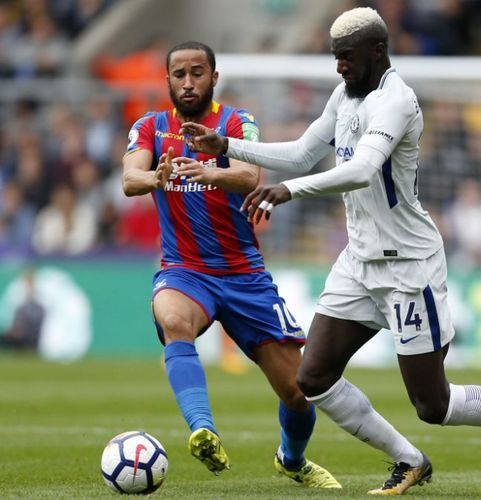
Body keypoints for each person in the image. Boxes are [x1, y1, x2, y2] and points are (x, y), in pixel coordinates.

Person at [180, 7, 481, 495]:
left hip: (408, 267)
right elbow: (300, 152)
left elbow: (361, 170)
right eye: (335, 58)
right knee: (312, 376)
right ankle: (409, 459)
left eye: (347, 57)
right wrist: (226, 144)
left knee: (432, 405)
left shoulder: (396, 102)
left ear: (377, 51)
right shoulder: (344, 96)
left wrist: (290, 191)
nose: (339, 67)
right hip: (358, 262)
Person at [121, 40, 340, 488]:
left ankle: (292, 459)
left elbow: (248, 175)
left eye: (197, 73)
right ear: (167, 80)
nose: (187, 82)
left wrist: (210, 172)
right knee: (174, 320)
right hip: (185, 271)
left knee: (299, 392)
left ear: (214, 77)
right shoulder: (150, 127)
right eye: (178, 74)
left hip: (244, 275)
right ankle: (203, 428)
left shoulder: (238, 122)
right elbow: (130, 178)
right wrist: (155, 178)